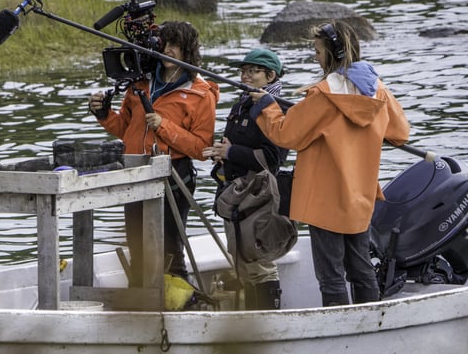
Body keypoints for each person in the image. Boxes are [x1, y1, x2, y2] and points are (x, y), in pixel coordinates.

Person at [249, 21, 410, 306]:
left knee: (331, 274)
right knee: (362, 270)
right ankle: (369, 327)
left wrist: (266, 106)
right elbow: (400, 133)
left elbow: (285, 134)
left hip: (323, 199)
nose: (315, 57)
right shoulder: (379, 91)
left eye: (318, 51)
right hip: (359, 197)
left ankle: (341, 336)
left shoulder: (322, 95)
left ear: (333, 54)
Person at [88, 21, 219, 285]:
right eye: (165, 44)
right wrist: (103, 114)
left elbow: (202, 148)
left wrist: (165, 127)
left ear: (188, 52)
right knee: (137, 248)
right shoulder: (139, 83)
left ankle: (181, 304)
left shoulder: (201, 94)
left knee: (171, 249)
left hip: (175, 177)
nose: (169, 51)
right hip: (136, 173)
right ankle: (140, 305)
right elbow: (127, 130)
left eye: (176, 46)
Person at [203, 48, 289, 310]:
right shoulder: (244, 101)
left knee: (258, 262)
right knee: (241, 262)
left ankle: (266, 323)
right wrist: (224, 153)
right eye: (243, 70)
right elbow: (243, 145)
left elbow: (273, 158)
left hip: (260, 196)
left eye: (253, 71)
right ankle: (253, 322)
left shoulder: (277, 108)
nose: (245, 75)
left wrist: (230, 151)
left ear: (270, 75)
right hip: (238, 194)